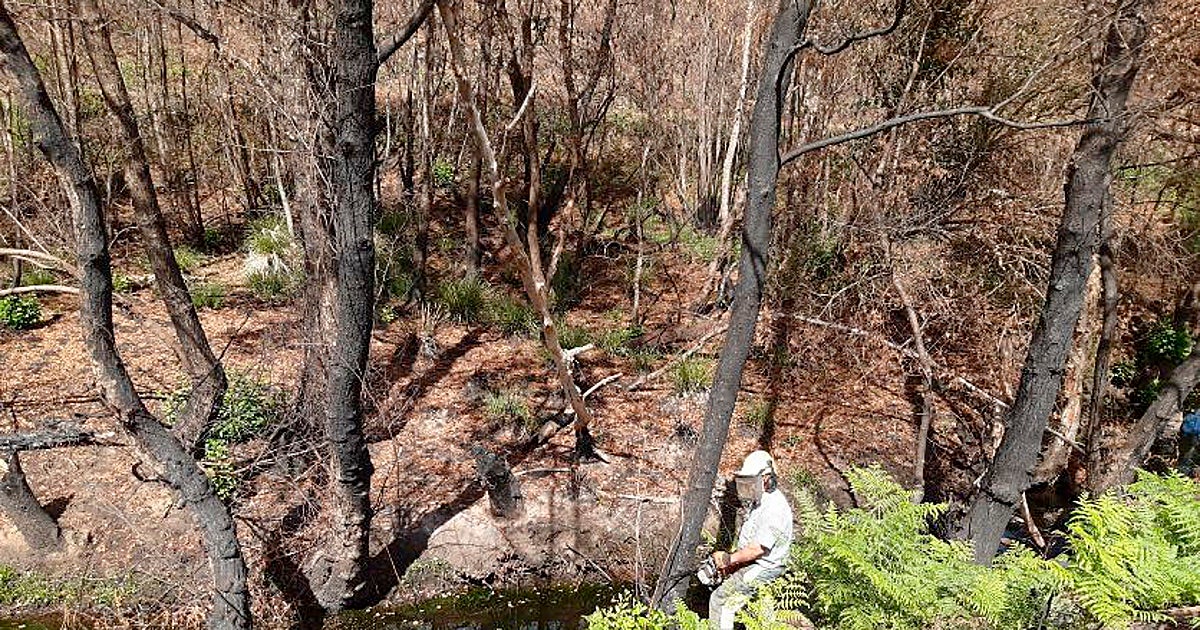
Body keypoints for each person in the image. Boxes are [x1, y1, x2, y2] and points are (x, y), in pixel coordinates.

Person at [707, 450, 793, 630]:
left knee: (721, 601)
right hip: (756, 563)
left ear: (766, 478)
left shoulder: (774, 507)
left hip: (766, 566)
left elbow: (758, 549)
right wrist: (733, 565)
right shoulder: (760, 502)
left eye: (751, 481)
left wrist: (729, 559)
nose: (747, 487)